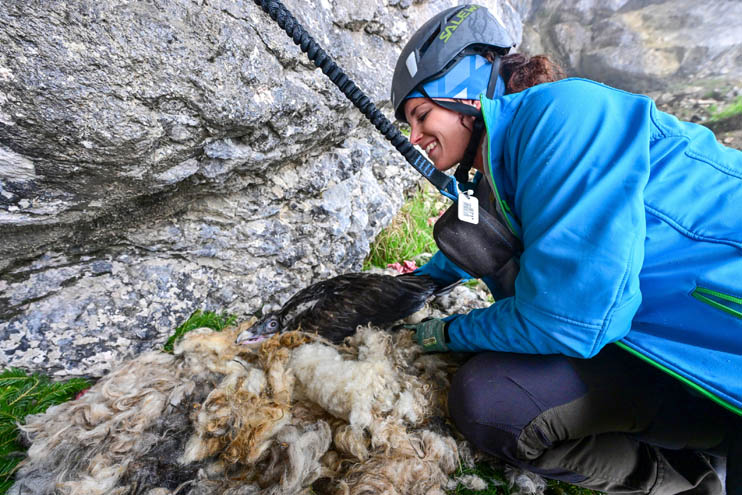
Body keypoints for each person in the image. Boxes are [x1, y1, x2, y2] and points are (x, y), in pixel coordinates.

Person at [392, 5, 742, 495]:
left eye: (421, 113)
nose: (413, 137)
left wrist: (443, 332)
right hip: (666, 347)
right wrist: (425, 279)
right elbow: (505, 231)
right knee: (491, 403)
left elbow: (567, 320)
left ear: (466, 89)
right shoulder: (504, 164)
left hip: (726, 341)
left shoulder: (562, 115)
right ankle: (689, 479)